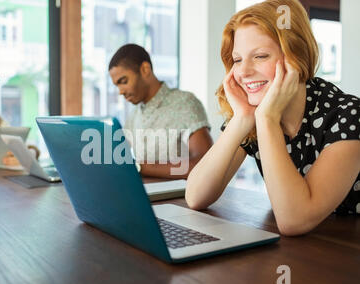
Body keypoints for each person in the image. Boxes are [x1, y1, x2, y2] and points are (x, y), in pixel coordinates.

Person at [186, 0, 360, 236]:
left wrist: (266, 118)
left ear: (296, 57)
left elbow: (294, 221)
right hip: (313, 250)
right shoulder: (253, 113)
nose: (244, 71)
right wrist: (242, 119)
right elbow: (196, 196)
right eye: (237, 60)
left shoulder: (348, 115)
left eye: (260, 56)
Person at [109, 44, 213, 179]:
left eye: (123, 81)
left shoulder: (185, 103)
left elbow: (206, 165)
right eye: (117, 85)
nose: (120, 91)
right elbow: (120, 157)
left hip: (183, 198)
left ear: (145, 69)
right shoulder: (135, 115)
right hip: (146, 194)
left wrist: (140, 167)